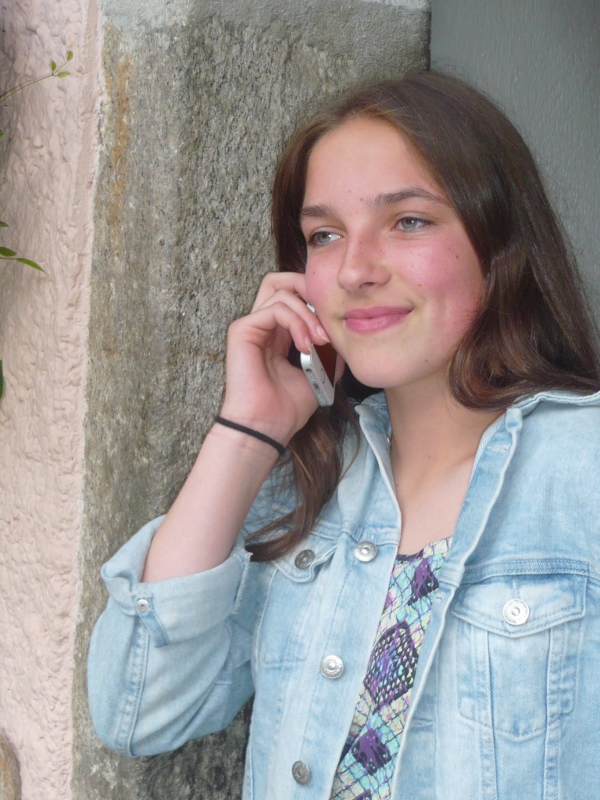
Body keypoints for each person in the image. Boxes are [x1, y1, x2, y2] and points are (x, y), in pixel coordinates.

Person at [88, 71, 600, 799]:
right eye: (324, 236)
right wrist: (248, 431)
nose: (356, 270)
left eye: (408, 221)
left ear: (499, 243)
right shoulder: (308, 491)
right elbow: (137, 711)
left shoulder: (583, 471)